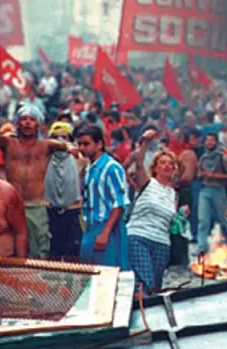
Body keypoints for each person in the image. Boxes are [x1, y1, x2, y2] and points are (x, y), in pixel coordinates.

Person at [0, 105, 74, 259]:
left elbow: (67, 146)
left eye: (32, 120)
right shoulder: (9, 143)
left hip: (36, 204)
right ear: (17, 123)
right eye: (24, 119)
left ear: (38, 124)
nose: (27, 123)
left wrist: (70, 148)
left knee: (40, 247)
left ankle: (38, 280)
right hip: (12, 203)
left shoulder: (46, 145)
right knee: (13, 246)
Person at [126, 151, 185, 293]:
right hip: (139, 236)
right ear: (155, 167)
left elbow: (171, 222)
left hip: (162, 242)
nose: (167, 166)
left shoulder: (174, 194)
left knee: (156, 286)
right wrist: (145, 143)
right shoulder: (147, 183)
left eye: (171, 164)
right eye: (163, 163)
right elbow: (139, 162)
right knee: (146, 282)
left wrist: (180, 217)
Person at [77, 123, 130, 269]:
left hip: (108, 227)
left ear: (99, 144)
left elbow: (119, 204)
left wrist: (105, 232)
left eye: (86, 144)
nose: (82, 148)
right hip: (90, 227)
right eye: (80, 144)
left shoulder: (111, 168)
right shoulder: (89, 169)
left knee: (109, 274)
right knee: (89, 274)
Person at [45, 121, 85, 260]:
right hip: (50, 213)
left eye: (64, 137)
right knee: (52, 256)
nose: (61, 141)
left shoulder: (80, 159)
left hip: (72, 212)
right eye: (56, 137)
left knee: (72, 256)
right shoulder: (43, 159)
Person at [196, 132, 227, 251]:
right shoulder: (203, 157)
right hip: (205, 189)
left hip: (218, 190)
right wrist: (201, 175)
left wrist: (213, 175)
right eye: (207, 140)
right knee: (203, 220)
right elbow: (199, 172)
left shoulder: (222, 157)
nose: (209, 143)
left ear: (216, 142)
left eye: (212, 140)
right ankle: (202, 247)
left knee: (222, 219)